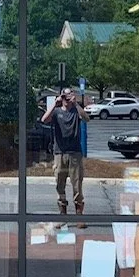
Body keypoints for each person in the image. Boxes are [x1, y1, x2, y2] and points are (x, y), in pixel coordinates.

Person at [41, 86, 88, 216]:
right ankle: (63, 213)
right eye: (64, 96)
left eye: (69, 95)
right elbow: (44, 119)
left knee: (77, 183)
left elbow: (86, 118)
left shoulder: (75, 111)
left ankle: (79, 215)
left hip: (75, 153)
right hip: (59, 152)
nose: (66, 99)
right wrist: (55, 104)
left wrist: (76, 104)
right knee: (60, 183)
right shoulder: (56, 112)